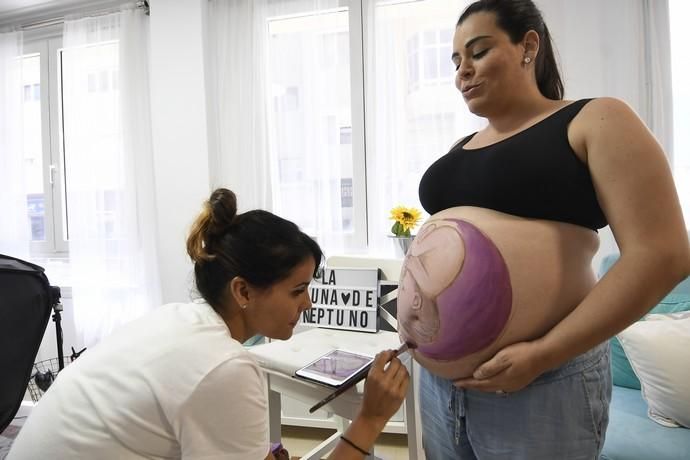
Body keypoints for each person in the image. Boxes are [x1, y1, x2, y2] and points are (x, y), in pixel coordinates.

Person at [414, 0, 690, 459]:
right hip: (441, 384)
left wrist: (542, 353)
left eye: (479, 52)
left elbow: (662, 254)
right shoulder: (460, 147)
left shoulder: (595, 119)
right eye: (457, 61)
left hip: (543, 380)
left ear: (528, 46)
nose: (463, 72)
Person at [8, 188, 410, 460]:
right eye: (297, 290)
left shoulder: (174, 319)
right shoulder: (226, 368)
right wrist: (371, 418)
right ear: (244, 292)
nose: (307, 303)